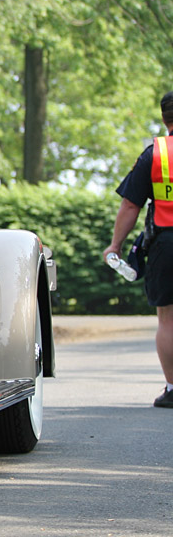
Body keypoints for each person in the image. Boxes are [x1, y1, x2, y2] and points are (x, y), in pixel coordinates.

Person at [103, 91, 173, 408]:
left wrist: (115, 246)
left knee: (168, 319)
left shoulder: (156, 154)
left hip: (165, 244)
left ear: (164, 118)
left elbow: (131, 205)